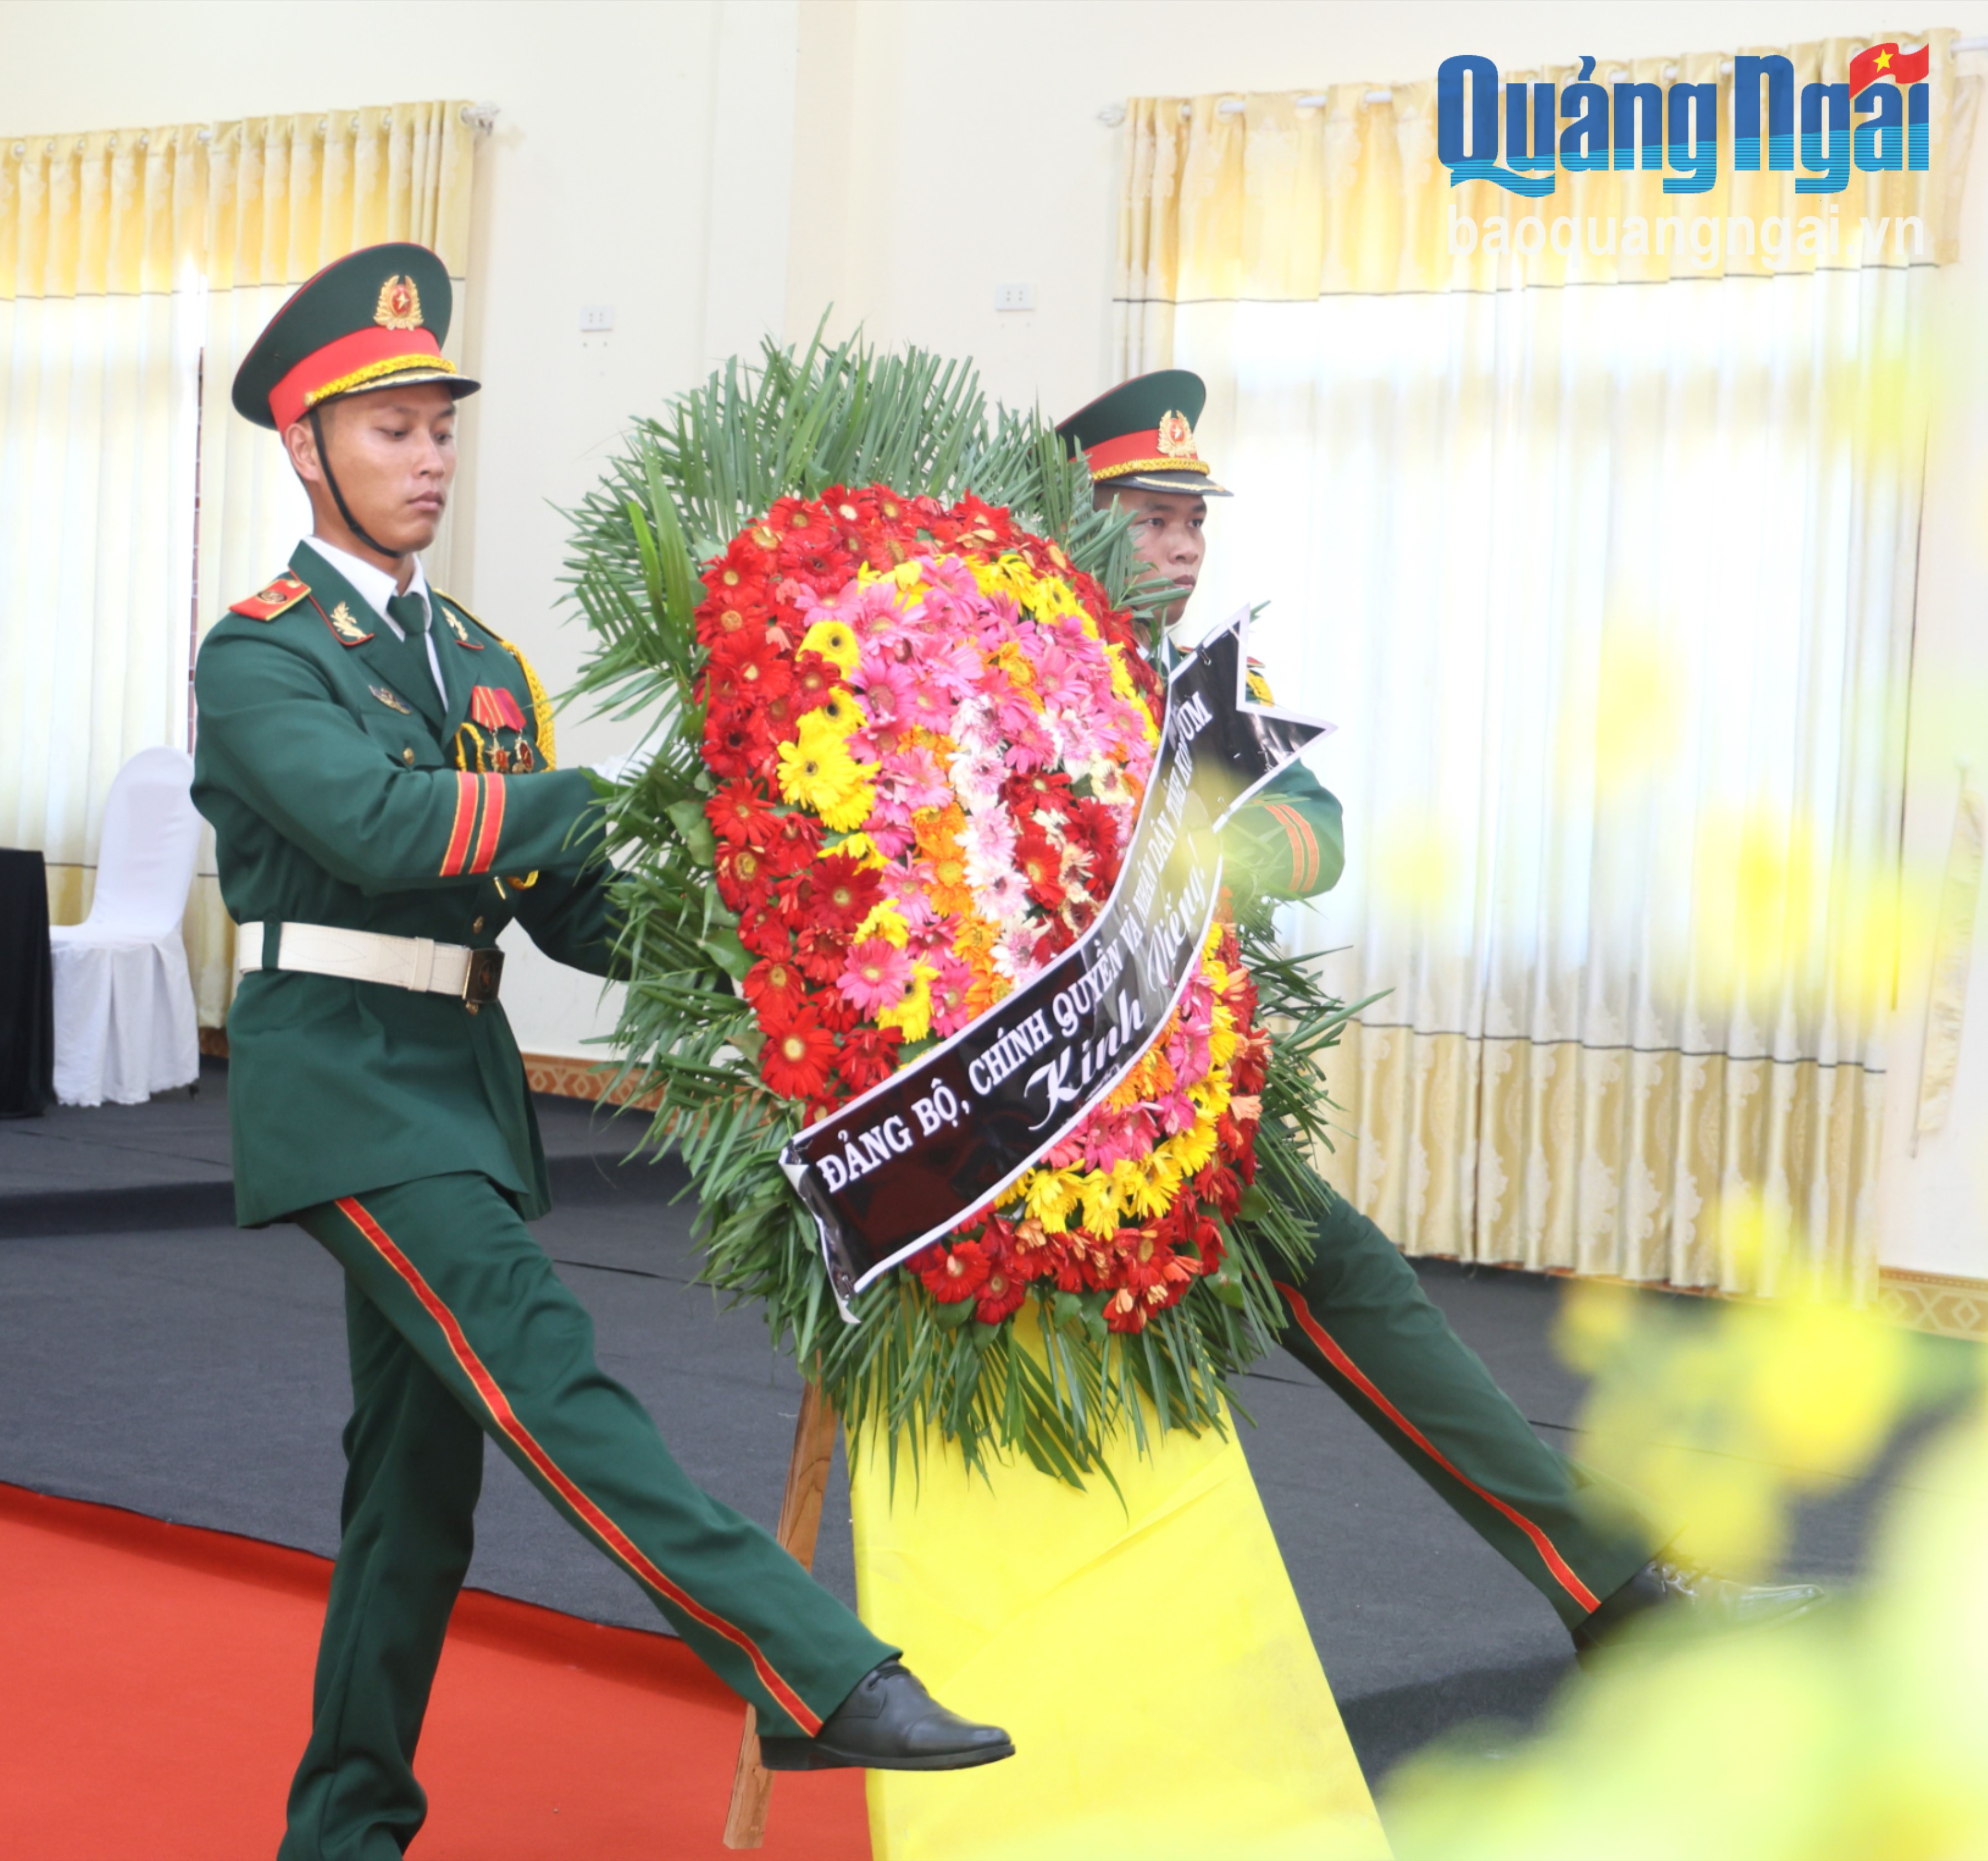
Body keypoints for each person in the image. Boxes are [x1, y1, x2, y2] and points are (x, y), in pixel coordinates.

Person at [192, 246, 1008, 1860]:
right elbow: (380, 826)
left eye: (440, 429)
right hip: (346, 1086)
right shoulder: (263, 652)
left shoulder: (486, 663)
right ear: (305, 447)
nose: (427, 459)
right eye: (390, 432)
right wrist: (626, 781)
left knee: (413, 1493)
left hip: (456, 1085)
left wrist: (782, 965)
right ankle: (807, 1666)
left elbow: (569, 909)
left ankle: (341, 1832)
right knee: (547, 1374)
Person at [1054, 370, 1824, 1654]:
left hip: (1173, 1100)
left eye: (1194, 523)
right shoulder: (1031, 679)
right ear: (1079, 524)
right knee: (1335, 1292)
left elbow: (1318, 831)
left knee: (1355, 1283)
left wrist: (1206, 854)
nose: (1182, 548)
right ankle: (1611, 1585)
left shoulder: (1203, 682)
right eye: (1148, 521)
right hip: (1061, 1116)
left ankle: (1611, 1583)